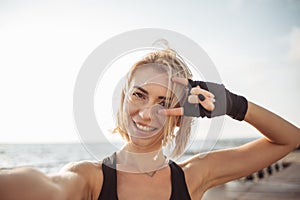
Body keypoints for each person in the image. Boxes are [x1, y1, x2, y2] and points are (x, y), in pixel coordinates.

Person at [0, 48, 299, 200]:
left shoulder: (194, 176)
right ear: (123, 100)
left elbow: (289, 139)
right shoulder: (90, 179)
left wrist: (232, 103)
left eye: (164, 103)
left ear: (181, 116)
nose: (145, 114)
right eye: (139, 95)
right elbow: (45, 186)